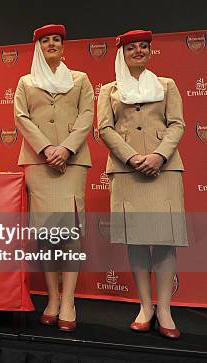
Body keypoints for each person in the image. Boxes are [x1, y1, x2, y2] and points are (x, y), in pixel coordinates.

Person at [97, 30, 186, 339]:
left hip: (164, 169)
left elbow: (177, 124)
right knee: (136, 239)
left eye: (143, 47)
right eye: (131, 47)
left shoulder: (167, 85)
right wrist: (133, 157)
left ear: (150, 51)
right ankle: (145, 307)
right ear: (121, 53)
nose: (138, 51)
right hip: (127, 169)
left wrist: (159, 155)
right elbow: (104, 129)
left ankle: (165, 309)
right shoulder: (109, 90)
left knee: (164, 240)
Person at [14, 24, 93, 332]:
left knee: (70, 232)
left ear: (63, 45)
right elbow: (21, 117)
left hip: (71, 163)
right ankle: (52, 299)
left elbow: (88, 115)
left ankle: (70, 299)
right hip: (38, 161)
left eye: (56, 40)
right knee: (47, 234)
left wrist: (66, 149)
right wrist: (47, 148)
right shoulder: (26, 81)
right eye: (45, 40)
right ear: (38, 46)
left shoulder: (80, 79)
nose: (51, 44)